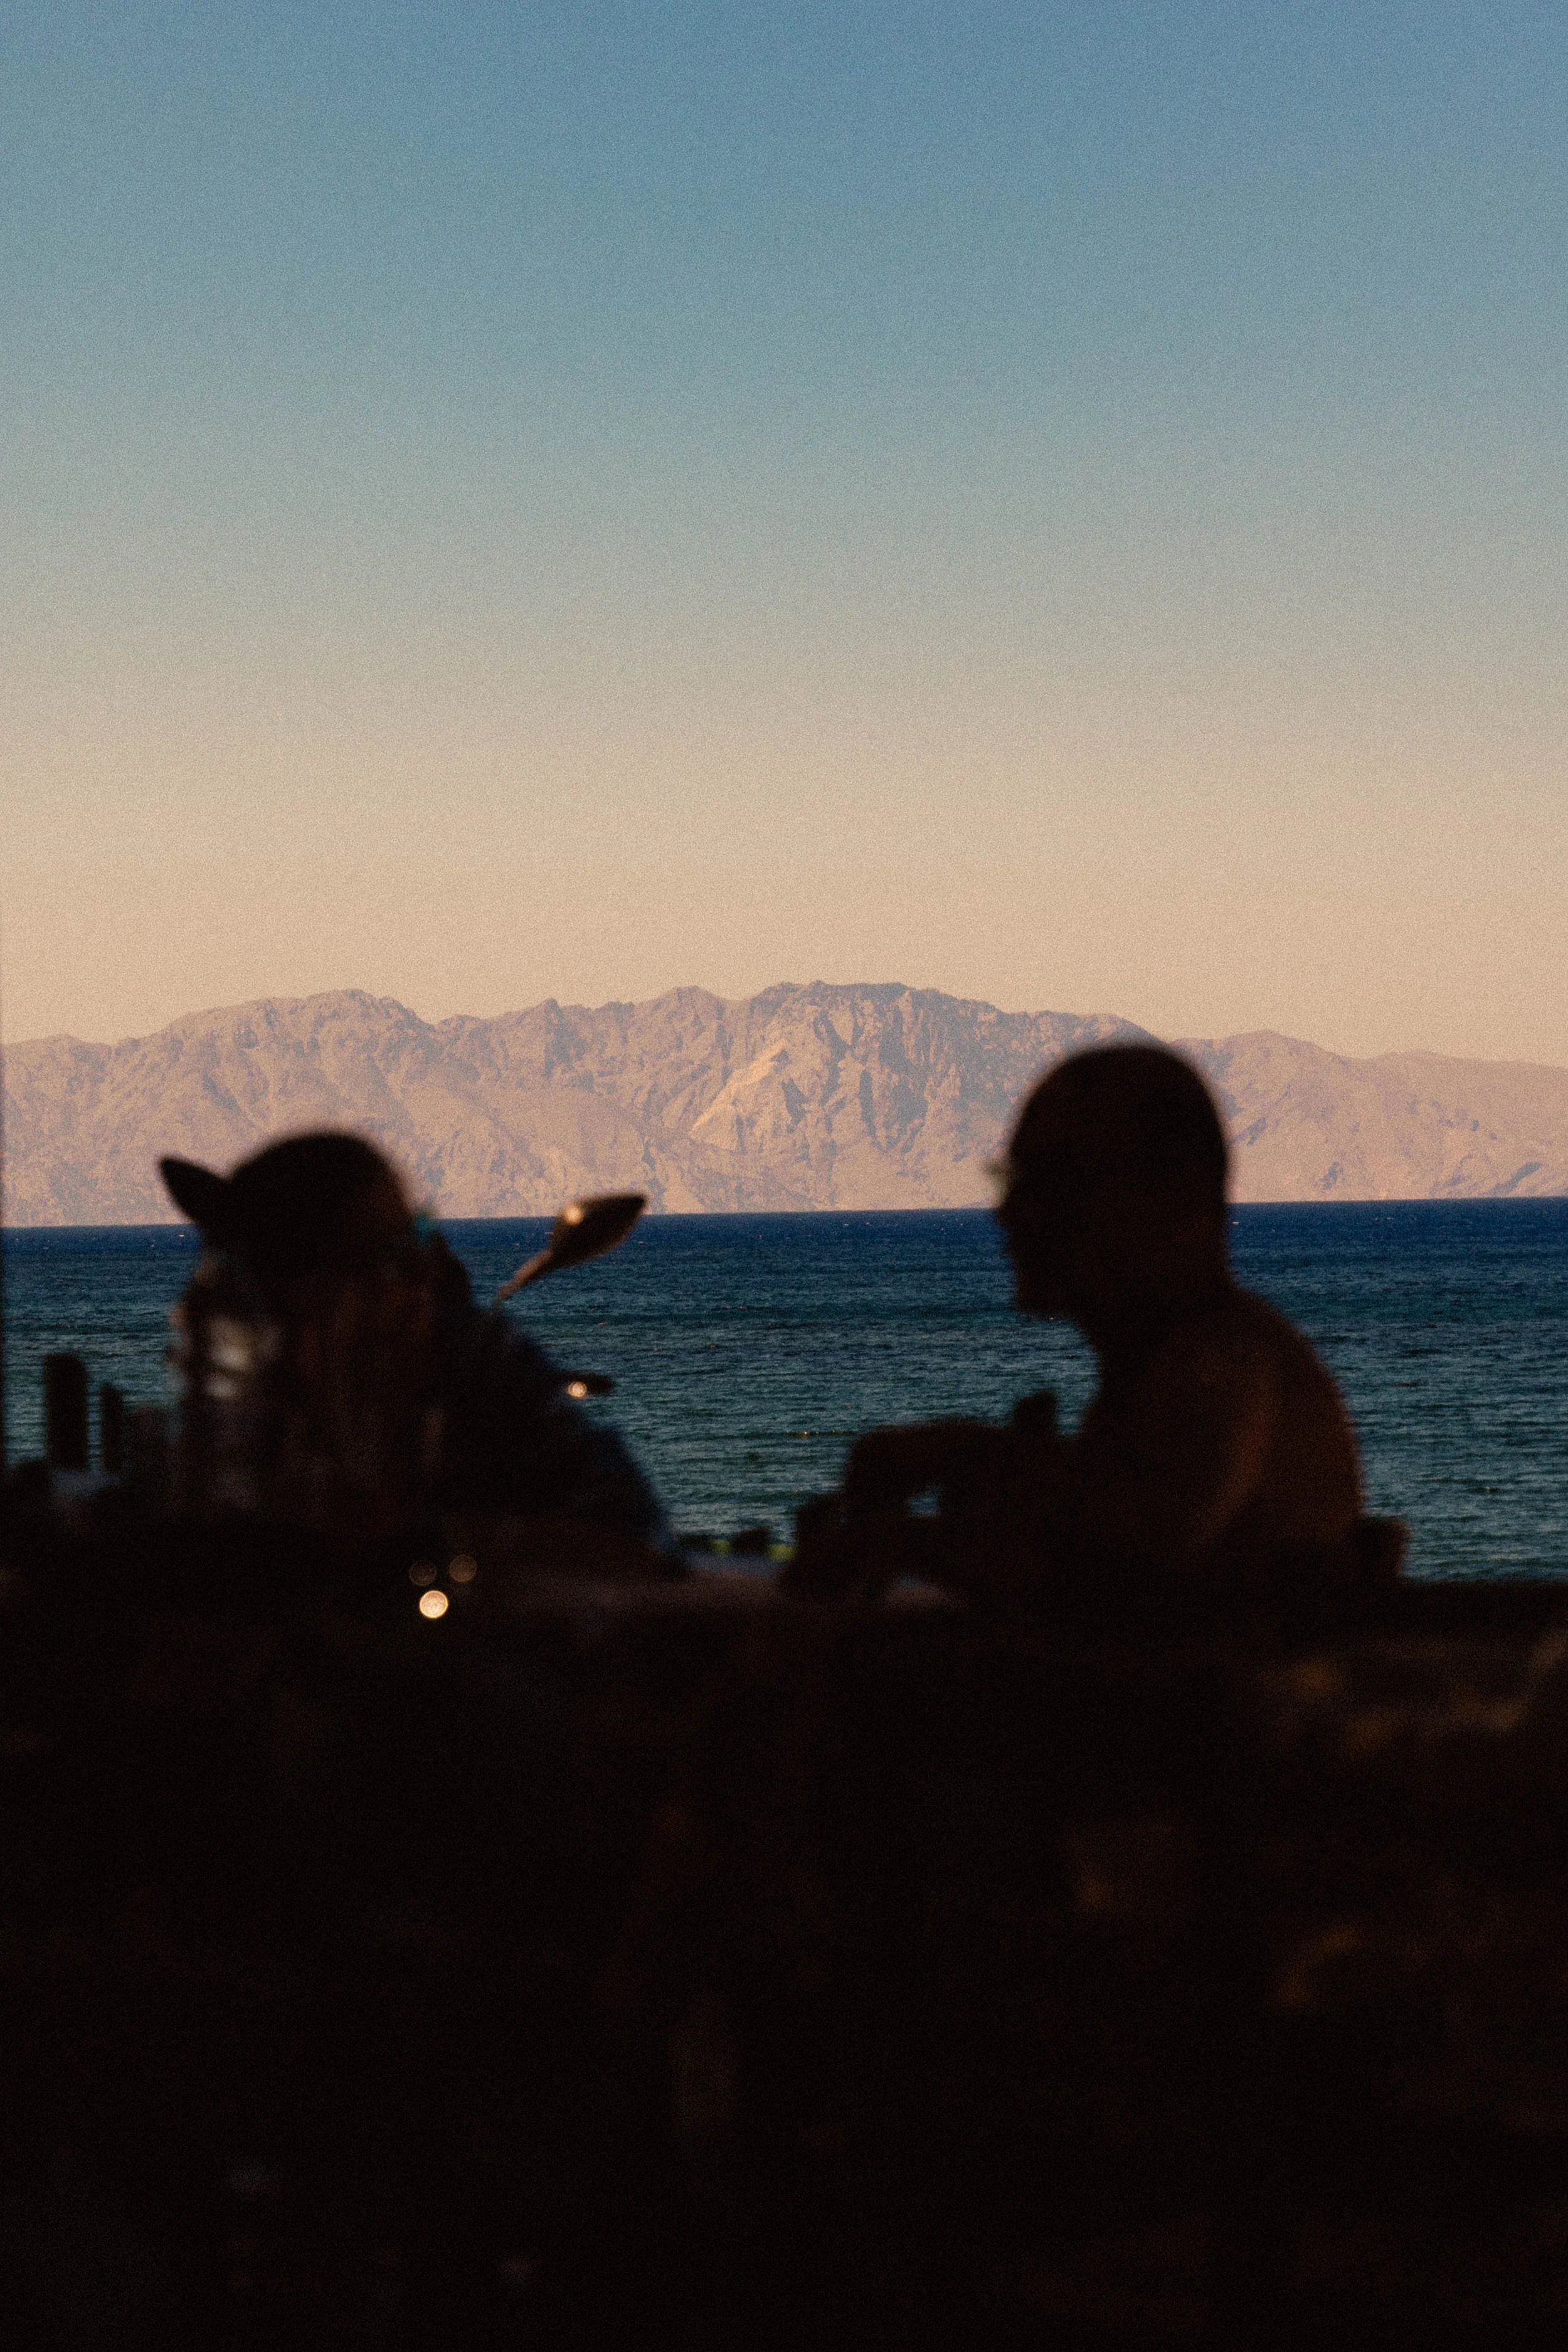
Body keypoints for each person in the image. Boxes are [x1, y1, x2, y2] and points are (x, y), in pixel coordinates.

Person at [793, 1045, 1377, 1621]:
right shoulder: (1175, 1359)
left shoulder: (1222, 1358)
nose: (1011, 1213)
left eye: (1052, 1182)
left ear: (1164, 1202)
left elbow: (1139, 1556)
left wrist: (957, 1474)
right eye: (1016, 1182)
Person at [159, 1132, 676, 1565]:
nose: (413, 1277)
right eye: (392, 1255)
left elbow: (634, 1538)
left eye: (413, 1246)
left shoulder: (471, 1362)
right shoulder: (244, 1366)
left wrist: (432, 1541)